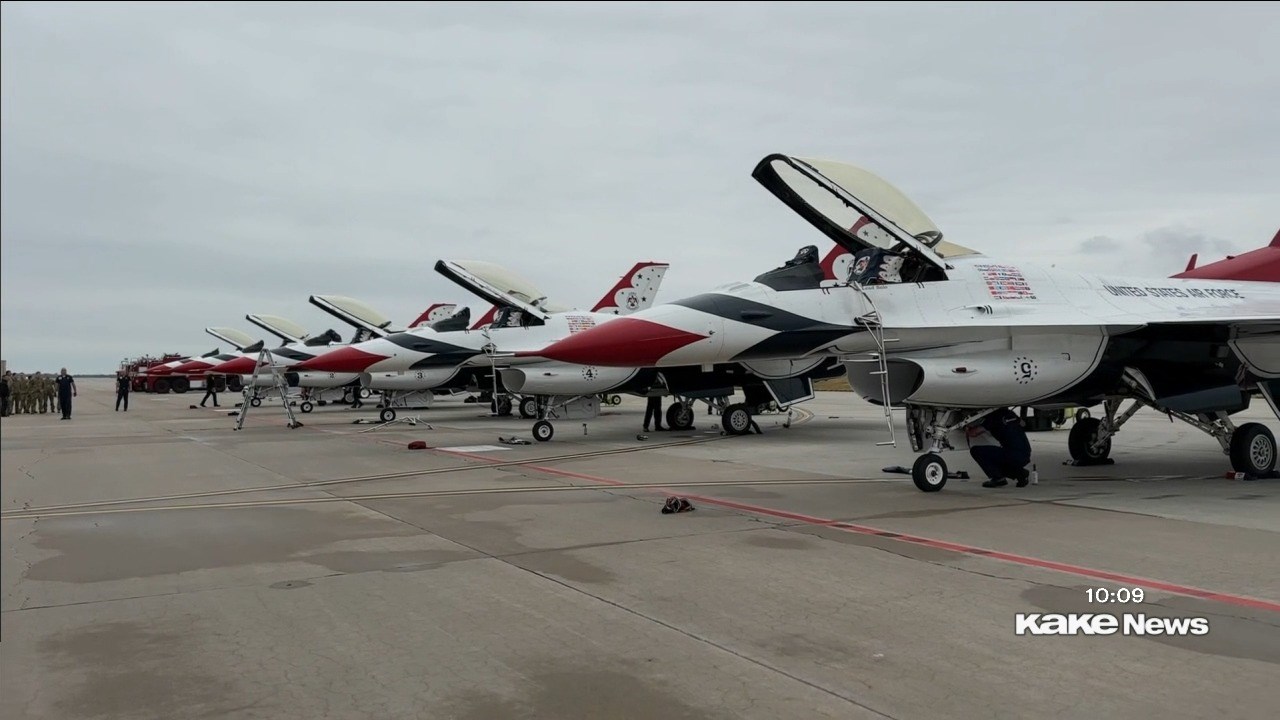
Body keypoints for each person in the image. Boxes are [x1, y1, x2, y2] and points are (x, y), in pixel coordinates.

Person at [967, 407, 1032, 488]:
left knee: (976, 451)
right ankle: (1020, 474)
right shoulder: (1010, 414)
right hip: (1025, 454)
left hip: (1012, 454)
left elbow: (973, 433)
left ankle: (998, 478)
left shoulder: (992, 418)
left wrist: (966, 427)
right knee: (1001, 456)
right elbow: (1023, 423)